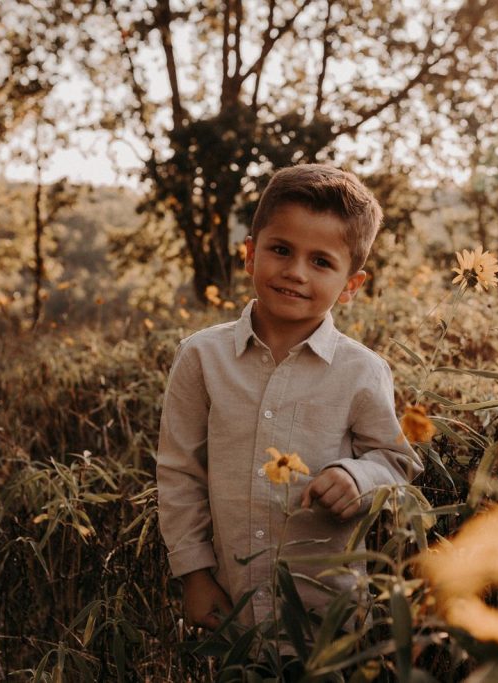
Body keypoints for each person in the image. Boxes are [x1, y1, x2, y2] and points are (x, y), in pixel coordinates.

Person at [156, 164, 422, 629]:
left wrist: (357, 477)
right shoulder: (201, 357)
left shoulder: (362, 371)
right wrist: (194, 576)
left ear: (351, 286)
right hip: (229, 609)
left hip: (327, 617)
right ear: (250, 254)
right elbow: (180, 472)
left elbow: (397, 463)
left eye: (321, 262)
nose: (295, 273)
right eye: (280, 250)